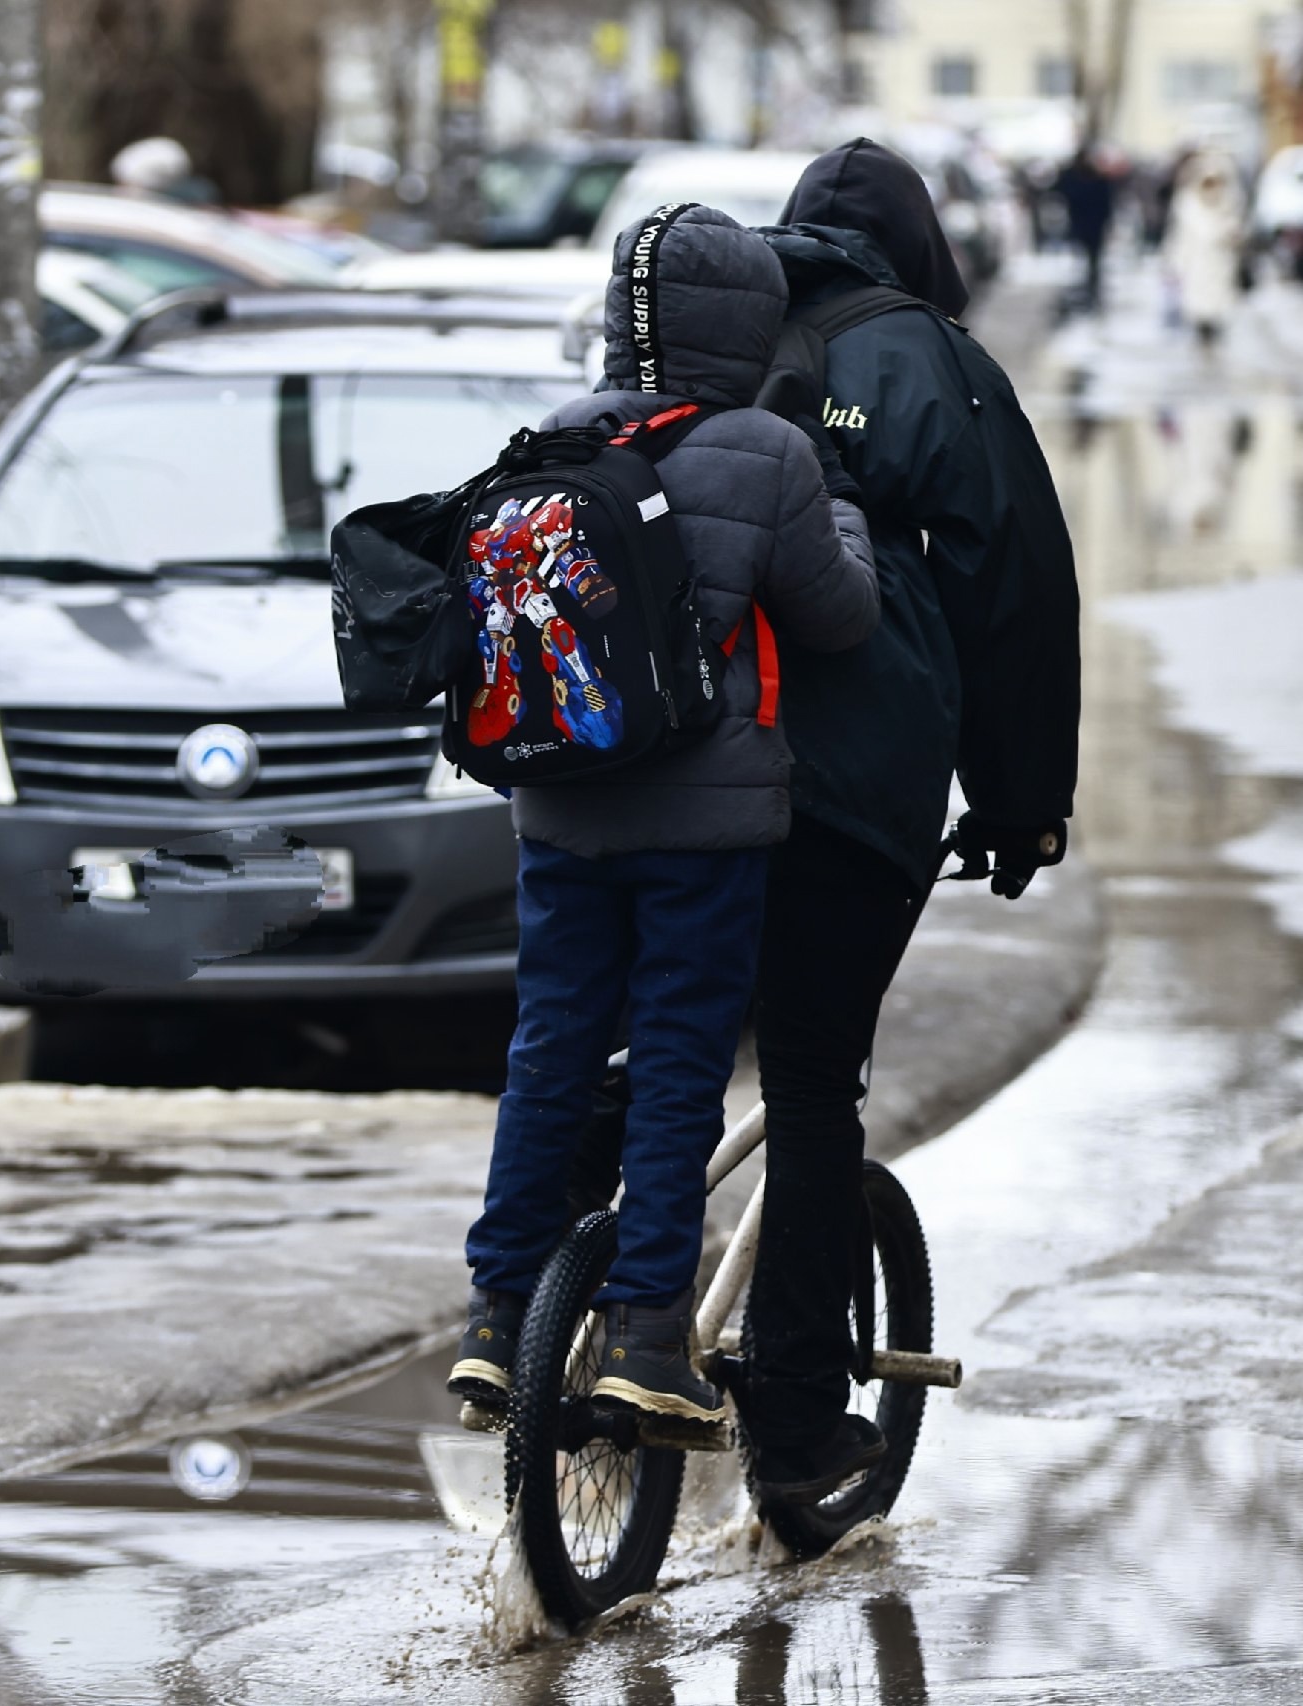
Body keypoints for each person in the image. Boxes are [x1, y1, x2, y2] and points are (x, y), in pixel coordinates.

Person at [449, 204, 880, 1424]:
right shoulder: (765, 449)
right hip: (705, 824)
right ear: (748, 324)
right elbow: (841, 615)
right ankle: (647, 1328)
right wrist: (840, 507)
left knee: (551, 1048)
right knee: (682, 1060)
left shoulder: (550, 440)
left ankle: (493, 1314)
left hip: (562, 804)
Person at [744, 140, 1082, 1498]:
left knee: (643, 1058)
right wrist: (1019, 807)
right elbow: (1014, 592)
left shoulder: (709, 334)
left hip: (654, 770)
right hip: (842, 788)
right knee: (815, 1081)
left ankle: (568, 1325)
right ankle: (790, 1417)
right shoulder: (929, 362)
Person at [1161, 150, 1245, 350]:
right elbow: (1181, 236)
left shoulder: (1228, 203)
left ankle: (1213, 325)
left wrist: (1232, 237)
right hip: (1197, 260)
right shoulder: (1188, 205)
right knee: (1198, 297)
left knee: (1217, 297)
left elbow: (1235, 229)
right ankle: (1202, 326)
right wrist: (1174, 261)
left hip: (1219, 261)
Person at [1053, 146, 1116, 312]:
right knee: (1080, 260)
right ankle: (1082, 290)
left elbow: (1106, 203)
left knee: (1092, 261)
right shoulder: (1074, 177)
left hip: (1093, 225)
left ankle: (1090, 290)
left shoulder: (1098, 178)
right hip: (1081, 223)